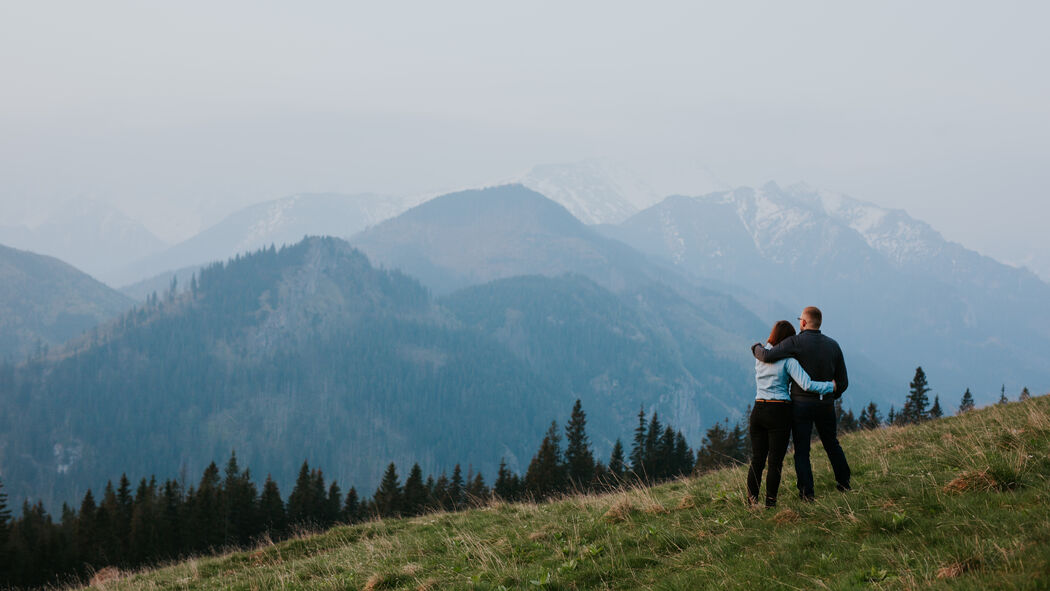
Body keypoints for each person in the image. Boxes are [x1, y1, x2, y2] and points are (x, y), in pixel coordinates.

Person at [751, 306, 850, 501]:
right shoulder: (834, 345)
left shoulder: (794, 342)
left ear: (803, 322)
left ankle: (806, 493)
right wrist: (829, 396)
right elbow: (843, 382)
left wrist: (755, 347)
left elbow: (769, 356)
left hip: (800, 405)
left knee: (802, 450)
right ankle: (844, 483)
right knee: (832, 444)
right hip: (826, 405)